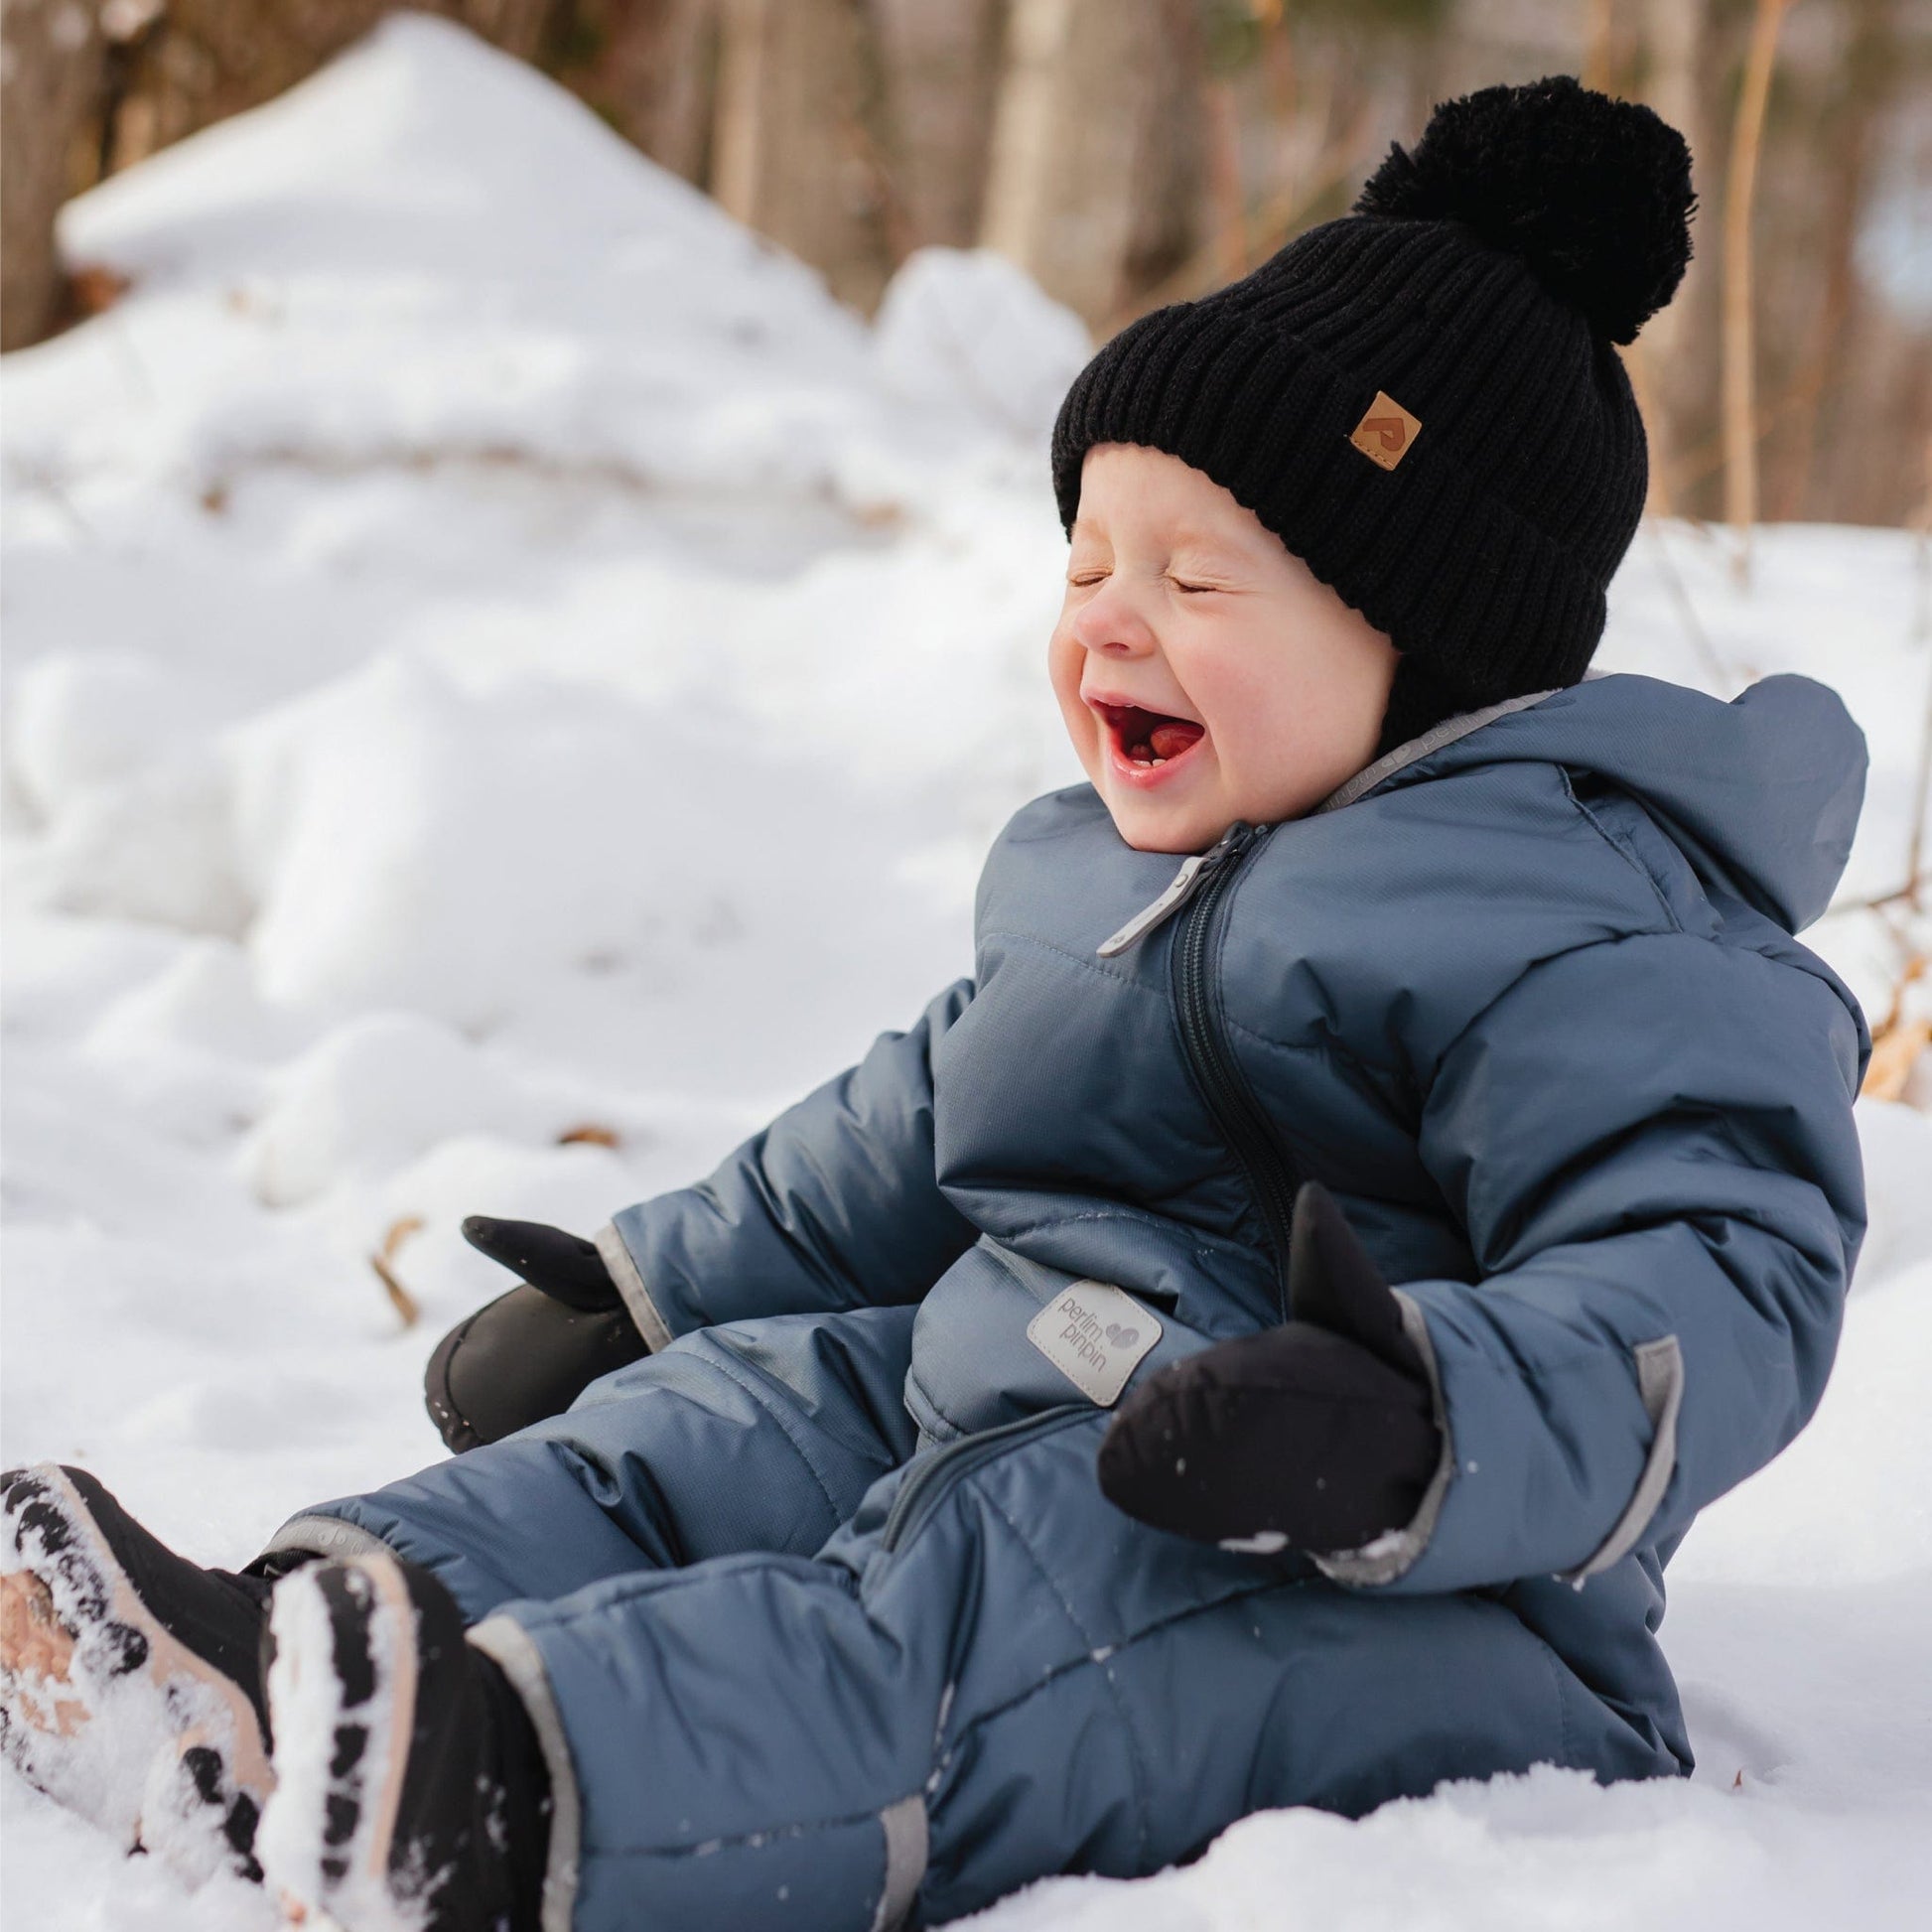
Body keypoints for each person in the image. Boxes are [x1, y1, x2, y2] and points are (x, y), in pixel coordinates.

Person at [1, 73, 1871, 1932]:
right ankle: (277, 1651)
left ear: (1428, 635)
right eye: (1086, 561)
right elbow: (912, 1120)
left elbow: (1712, 1271)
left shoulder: (1591, 921)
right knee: (729, 1418)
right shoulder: (1113, 879)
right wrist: (654, 1287)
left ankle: (505, 1783)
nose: (1107, 621)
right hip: (1008, 1386)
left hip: (1385, 1588)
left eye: (1194, 575)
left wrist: (1409, 1418)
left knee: (999, 1613)